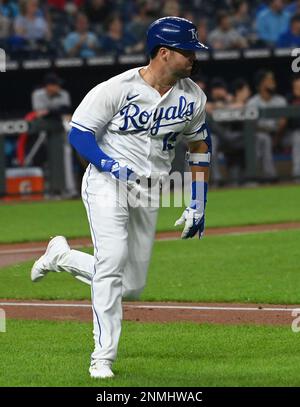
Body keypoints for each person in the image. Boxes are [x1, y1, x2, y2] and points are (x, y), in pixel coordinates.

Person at [30, 16, 211, 379]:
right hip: (106, 184)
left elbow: (199, 146)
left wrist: (197, 201)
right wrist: (112, 166)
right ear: (163, 53)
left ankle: (61, 256)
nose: (194, 57)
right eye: (187, 51)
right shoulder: (117, 88)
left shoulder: (193, 97)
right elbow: (80, 135)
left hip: (151, 190)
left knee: (132, 286)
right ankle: (102, 358)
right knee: (111, 264)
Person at [247, 70, 287, 180]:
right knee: (263, 138)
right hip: (260, 136)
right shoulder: (252, 102)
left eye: (273, 80)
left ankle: (297, 177)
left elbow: (283, 122)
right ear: (260, 84)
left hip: (280, 135)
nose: (272, 83)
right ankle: (263, 177)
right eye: (269, 80)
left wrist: (277, 137)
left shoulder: (280, 100)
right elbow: (252, 126)